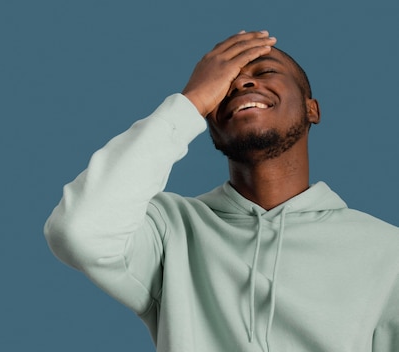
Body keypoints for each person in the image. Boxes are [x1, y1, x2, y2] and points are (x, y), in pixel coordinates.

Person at [43, 30, 399, 351]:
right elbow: (77, 231)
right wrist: (190, 102)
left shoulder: (388, 252)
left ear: (312, 109)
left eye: (265, 72)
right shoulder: (171, 230)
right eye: (224, 86)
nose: (241, 85)